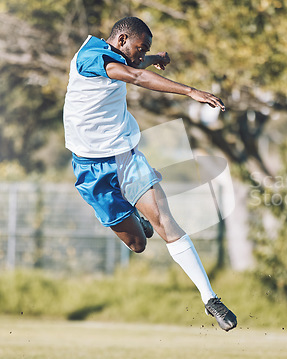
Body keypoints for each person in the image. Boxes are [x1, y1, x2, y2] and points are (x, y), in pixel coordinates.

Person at [63, 16, 237, 331]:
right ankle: (135, 215)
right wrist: (190, 91)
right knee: (138, 244)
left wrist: (155, 59)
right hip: (90, 168)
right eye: (140, 49)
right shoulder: (92, 57)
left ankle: (210, 299)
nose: (141, 57)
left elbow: (133, 65)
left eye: (145, 53)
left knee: (165, 222)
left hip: (126, 157)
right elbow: (133, 75)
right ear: (122, 39)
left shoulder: (118, 56)